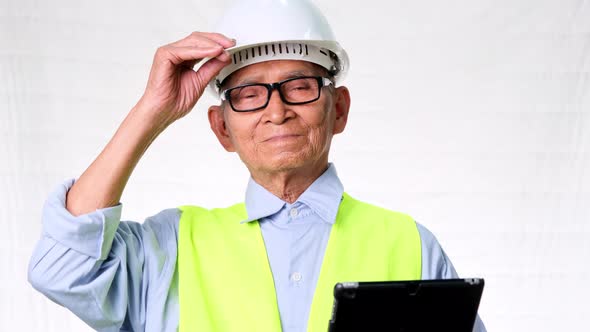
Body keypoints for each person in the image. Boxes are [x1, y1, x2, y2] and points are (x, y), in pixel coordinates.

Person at [28, 0, 486, 331]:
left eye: (300, 85)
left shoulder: (410, 246)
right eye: (248, 94)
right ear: (222, 129)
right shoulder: (168, 248)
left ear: (339, 109)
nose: (276, 111)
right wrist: (152, 109)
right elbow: (63, 268)